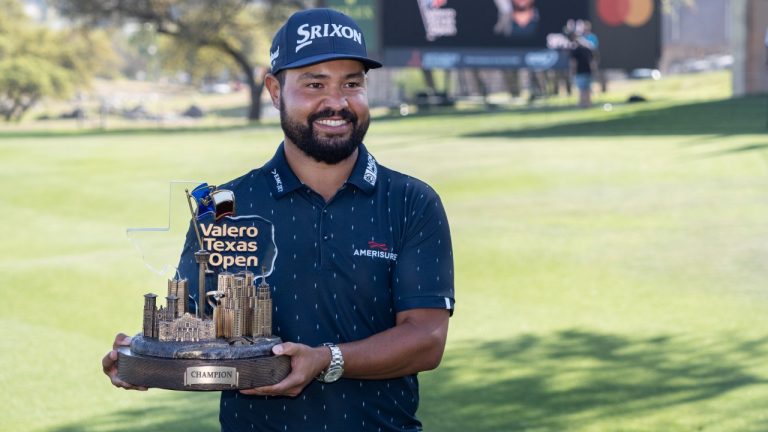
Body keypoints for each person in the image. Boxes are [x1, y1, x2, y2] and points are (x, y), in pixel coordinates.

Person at [101, 8, 455, 432]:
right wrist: (144, 359)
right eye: (314, 84)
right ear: (274, 89)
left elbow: (426, 342)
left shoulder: (412, 201)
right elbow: (197, 327)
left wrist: (324, 360)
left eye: (352, 83)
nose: (337, 102)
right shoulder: (223, 204)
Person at [569, 31, 595, 108]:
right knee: (587, 89)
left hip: (579, 72)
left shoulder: (575, 50)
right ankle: (589, 103)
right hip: (588, 72)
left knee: (582, 89)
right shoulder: (588, 49)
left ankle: (583, 104)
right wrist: (594, 71)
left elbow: (573, 63)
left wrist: (572, 72)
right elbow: (592, 62)